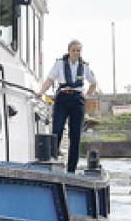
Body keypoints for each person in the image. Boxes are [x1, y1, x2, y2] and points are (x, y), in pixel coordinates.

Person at [36, 40, 98, 173]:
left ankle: (71, 170)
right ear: (69, 51)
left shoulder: (85, 66)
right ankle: (52, 162)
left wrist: (86, 96)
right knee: (56, 131)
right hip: (63, 98)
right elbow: (50, 80)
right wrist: (41, 92)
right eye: (74, 50)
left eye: (78, 50)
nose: (76, 53)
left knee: (75, 136)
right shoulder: (59, 64)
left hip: (77, 100)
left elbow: (93, 83)